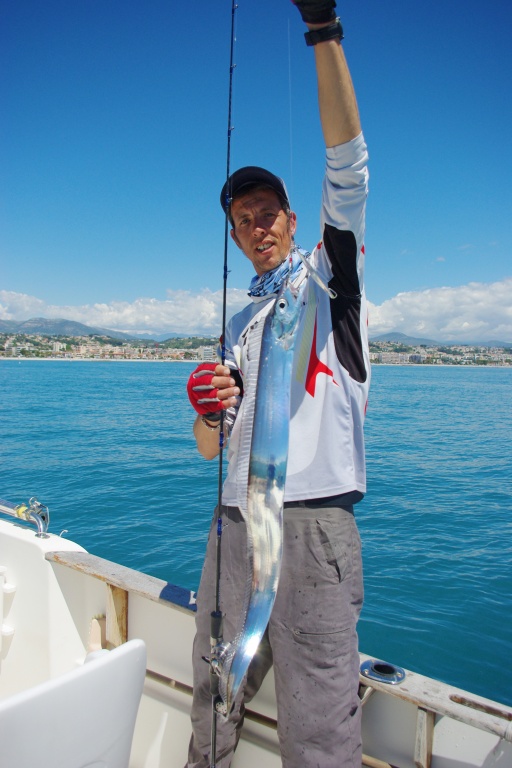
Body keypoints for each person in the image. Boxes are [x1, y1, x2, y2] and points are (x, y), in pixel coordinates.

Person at [185, 1, 369, 766]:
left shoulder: (332, 283)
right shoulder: (237, 324)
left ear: (297, 222)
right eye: (243, 218)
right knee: (210, 682)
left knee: (318, 712)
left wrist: (322, 31)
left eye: (269, 213)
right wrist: (204, 409)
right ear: (234, 235)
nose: (257, 226)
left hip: (310, 525)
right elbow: (207, 449)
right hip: (233, 523)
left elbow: (349, 162)